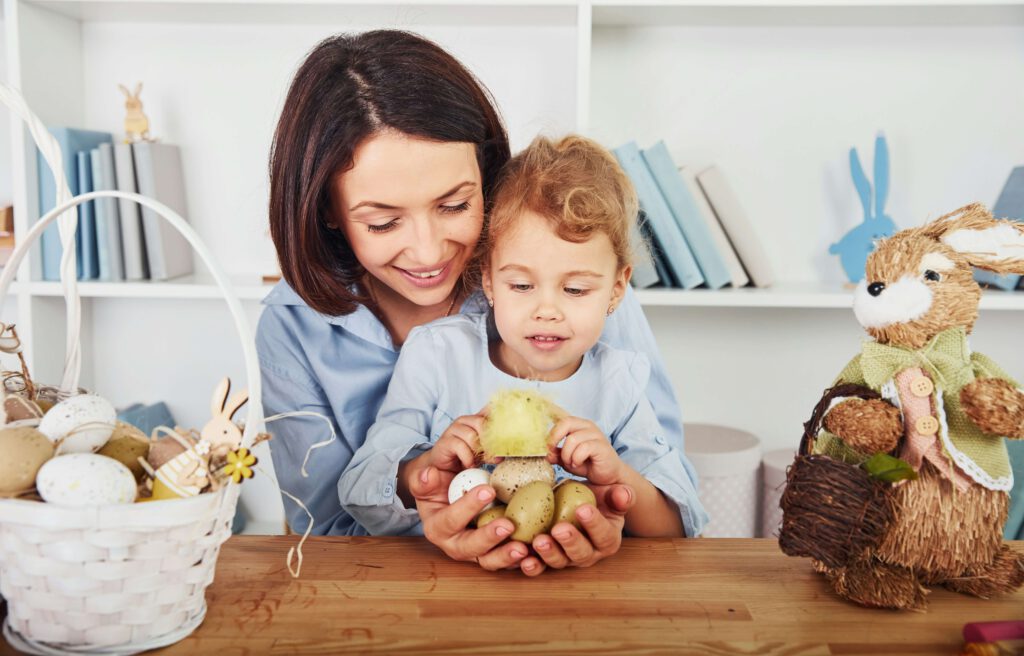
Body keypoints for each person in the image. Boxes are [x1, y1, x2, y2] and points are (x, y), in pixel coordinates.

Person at [257, 30, 696, 575]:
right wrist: (430, 512)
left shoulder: (570, 279)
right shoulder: (293, 325)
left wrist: (613, 516)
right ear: (327, 210)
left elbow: (665, 499)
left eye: (455, 204)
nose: (428, 250)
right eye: (383, 221)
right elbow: (322, 530)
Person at [339, 135, 707, 574]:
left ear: (617, 288)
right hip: (447, 592)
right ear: (489, 281)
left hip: (582, 599)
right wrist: (425, 469)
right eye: (520, 286)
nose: (546, 311)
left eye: (574, 289)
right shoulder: (437, 355)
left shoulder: (619, 380)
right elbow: (358, 488)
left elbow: (678, 525)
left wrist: (617, 479)